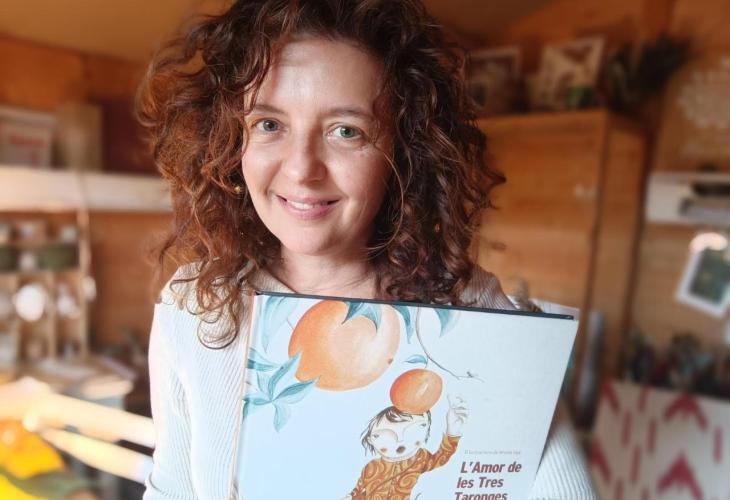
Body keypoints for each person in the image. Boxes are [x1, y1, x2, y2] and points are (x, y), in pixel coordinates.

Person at [138, 0, 597, 498]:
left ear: (403, 153)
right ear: (231, 141)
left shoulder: (472, 310)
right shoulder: (194, 306)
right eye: (269, 124)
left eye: (345, 131)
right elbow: (171, 489)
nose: (301, 169)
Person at [345, 397, 467, 500]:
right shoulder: (371, 467)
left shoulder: (420, 458)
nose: (400, 442)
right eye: (387, 435)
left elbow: (441, 458)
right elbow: (359, 491)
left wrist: (452, 431)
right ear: (370, 440)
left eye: (411, 432)